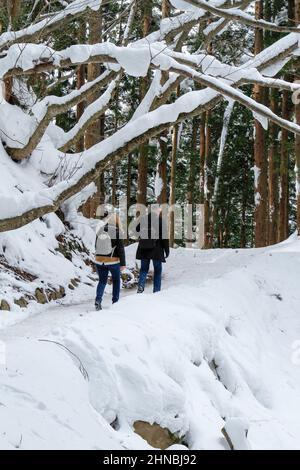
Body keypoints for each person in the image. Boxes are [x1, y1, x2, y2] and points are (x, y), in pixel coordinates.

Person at [95, 213, 126, 311]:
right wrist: (123, 263)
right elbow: (121, 249)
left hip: (99, 260)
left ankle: (98, 300)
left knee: (102, 281)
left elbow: (96, 245)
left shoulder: (100, 230)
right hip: (112, 261)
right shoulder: (117, 232)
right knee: (116, 281)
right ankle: (115, 302)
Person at [136, 207, 169, 294]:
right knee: (157, 270)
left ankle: (141, 286)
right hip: (156, 250)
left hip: (144, 248)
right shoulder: (161, 221)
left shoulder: (143, 219)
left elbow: (136, 230)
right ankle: (156, 291)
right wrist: (167, 250)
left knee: (143, 269)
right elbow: (165, 237)